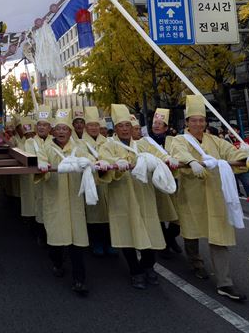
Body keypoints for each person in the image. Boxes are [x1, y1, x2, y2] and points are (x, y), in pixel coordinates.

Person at [171, 95, 249, 301]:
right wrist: (192, 161)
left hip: (216, 194)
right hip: (192, 195)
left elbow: (231, 153)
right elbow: (178, 152)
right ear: (187, 122)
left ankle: (225, 283)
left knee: (219, 236)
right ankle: (195, 262)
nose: (199, 124)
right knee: (192, 232)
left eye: (202, 120)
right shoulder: (179, 139)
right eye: (194, 120)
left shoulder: (215, 140)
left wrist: (247, 157)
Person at [98, 104, 174, 289]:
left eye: (127, 125)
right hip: (122, 196)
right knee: (127, 234)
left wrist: (168, 160)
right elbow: (103, 161)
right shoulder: (107, 145)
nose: (125, 129)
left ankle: (148, 266)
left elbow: (161, 155)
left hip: (144, 195)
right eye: (121, 126)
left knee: (151, 233)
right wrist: (116, 162)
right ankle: (135, 271)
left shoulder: (143, 144)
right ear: (115, 128)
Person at [37, 109, 92, 296]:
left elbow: (91, 161)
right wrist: (42, 168)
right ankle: (57, 262)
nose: (61, 132)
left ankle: (80, 280)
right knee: (55, 241)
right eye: (58, 128)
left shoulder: (79, 148)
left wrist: (91, 164)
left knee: (76, 243)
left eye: (65, 129)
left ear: (70, 132)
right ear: (53, 131)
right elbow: (40, 163)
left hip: (74, 202)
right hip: (55, 201)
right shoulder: (46, 148)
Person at [79, 107, 114, 257]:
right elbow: (82, 157)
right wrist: (97, 162)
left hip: (107, 182)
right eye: (91, 125)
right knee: (94, 215)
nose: (94, 128)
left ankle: (109, 242)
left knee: (108, 215)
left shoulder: (106, 141)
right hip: (92, 182)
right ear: (86, 127)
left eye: (96, 125)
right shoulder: (80, 143)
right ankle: (96, 242)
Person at [147, 108, 181, 259]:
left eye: (160, 123)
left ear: (166, 127)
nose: (156, 126)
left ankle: (170, 236)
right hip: (154, 181)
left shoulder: (174, 141)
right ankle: (164, 245)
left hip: (172, 180)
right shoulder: (145, 141)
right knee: (159, 214)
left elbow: (180, 154)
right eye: (155, 123)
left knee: (178, 217)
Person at [23, 105, 53, 247]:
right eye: (39, 125)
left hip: (55, 183)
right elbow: (32, 158)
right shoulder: (30, 142)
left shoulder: (55, 141)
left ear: (50, 127)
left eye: (45, 125)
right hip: (40, 182)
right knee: (41, 210)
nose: (41, 128)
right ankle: (42, 237)